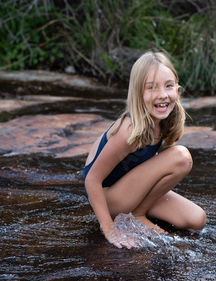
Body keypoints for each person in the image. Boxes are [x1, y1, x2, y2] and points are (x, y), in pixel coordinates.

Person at [84, 51, 206, 249]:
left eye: (169, 86)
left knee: (196, 219)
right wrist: (108, 228)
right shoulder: (129, 130)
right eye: (151, 88)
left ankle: (139, 212)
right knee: (181, 157)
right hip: (108, 198)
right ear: (138, 93)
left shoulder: (163, 121)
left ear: (178, 89)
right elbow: (91, 179)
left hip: (132, 192)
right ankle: (138, 215)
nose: (162, 95)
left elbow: (146, 163)